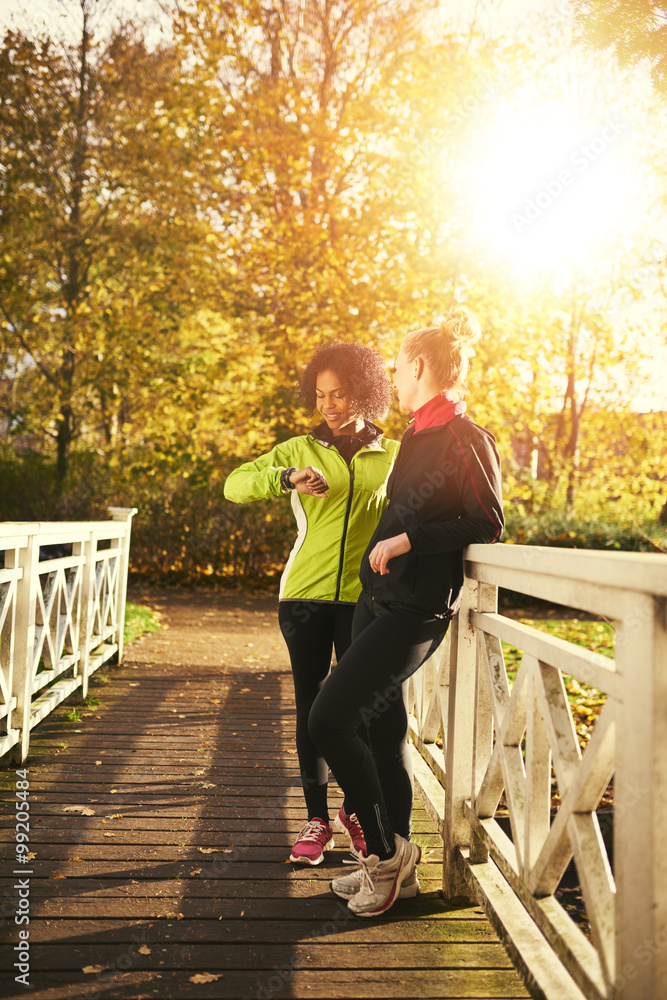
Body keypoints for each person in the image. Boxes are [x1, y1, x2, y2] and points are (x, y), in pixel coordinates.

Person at [308, 307, 504, 916]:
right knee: (380, 734)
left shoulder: (467, 438)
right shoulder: (419, 431)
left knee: (329, 721)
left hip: (417, 611)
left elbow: (488, 522)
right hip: (379, 601)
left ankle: (385, 862)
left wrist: (406, 541)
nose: (391, 375)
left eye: (397, 365)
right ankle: (403, 867)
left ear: (419, 366)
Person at [224, 343, 399, 865]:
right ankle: (317, 819)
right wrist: (286, 478)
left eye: (341, 394)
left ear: (366, 393)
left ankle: (358, 813)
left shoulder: (394, 454)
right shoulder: (298, 449)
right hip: (303, 595)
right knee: (311, 706)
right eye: (321, 395)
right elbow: (235, 484)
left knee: (359, 712)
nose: (329, 405)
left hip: (365, 597)